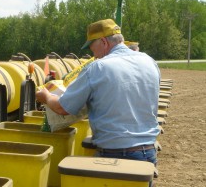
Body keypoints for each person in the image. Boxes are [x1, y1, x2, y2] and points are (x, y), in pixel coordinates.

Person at [36, 19, 160, 166]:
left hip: (115, 156)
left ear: (103, 42)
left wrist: (46, 97)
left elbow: (62, 108)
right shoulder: (149, 62)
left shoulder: (98, 68)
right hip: (148, 153)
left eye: (92, 48)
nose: (93, 55)